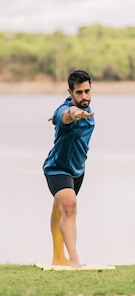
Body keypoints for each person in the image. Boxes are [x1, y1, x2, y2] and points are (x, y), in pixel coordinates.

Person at [43, 69, 95, 267]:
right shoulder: (69, 110)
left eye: (87, 91)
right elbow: (67, 114)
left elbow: (60, 117)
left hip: (77, 171)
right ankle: (74, 259)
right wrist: (74, 115)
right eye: (79, 92)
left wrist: (57, 119)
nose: (84, 96)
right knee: (69, 209)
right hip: (57, 169)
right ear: (70, 92)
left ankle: (58, 257)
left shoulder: (88, 111)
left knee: (61, 211)